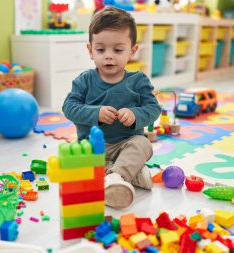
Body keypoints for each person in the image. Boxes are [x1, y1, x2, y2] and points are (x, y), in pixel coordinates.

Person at [62, 6, 161, 209]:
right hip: (91, 146)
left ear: (132, 51)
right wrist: (95, 113)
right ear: (90, 50)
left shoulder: (138, 80)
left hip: (125, 143)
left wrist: (135, 114)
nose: (108, 56)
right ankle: (129, 175)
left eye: (118, 50)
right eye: (100, 49)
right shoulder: (84, 80)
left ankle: (116, 176)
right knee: (76, 165)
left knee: (143, 145)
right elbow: (69, 107)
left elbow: (153, 108)